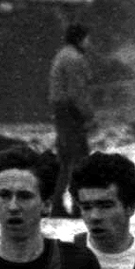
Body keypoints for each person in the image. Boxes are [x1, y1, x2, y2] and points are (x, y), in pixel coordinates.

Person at [48, 23, 94, 218]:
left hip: (61, 111)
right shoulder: (74, 59)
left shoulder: (62, 55)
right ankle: (76, 205)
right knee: (78, 159)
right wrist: (88, 114)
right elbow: (78, 92)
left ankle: (58, 203)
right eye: (87, 38)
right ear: (79, 39)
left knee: (65, 158)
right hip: (71, 112)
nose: (89, 43)